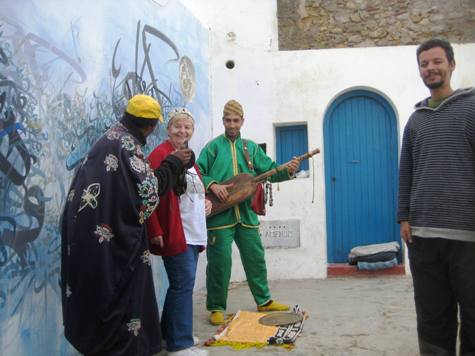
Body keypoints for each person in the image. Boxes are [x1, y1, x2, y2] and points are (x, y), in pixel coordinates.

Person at [61, 94, 192, 356]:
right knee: (118, 300)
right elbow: (147, 194)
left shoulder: (109, 138)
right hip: (111, 246)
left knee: (96, 298)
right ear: (152, 125)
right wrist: (173, 164)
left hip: (84, 238)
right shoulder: (127, 146)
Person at [398, 39, 475, 355]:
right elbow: (406, 171)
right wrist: (403, 216)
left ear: (452, 65)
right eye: (424, 64)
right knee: (432, 316)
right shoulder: (416, 120)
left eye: (436, 61)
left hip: (468, 235)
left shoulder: (471, 108)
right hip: (424, 236)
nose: (430, 68)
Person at [197, 99, 300, 325]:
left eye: (236, 120)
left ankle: (264, 301)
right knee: (219, 262)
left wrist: (288, 171)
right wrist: (212, 184)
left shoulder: (251, 148)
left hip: (246, 215)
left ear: (242, 121)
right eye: (227, 120)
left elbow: (270, 171)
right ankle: (216, 306)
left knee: (256, 258)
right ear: (223, 121)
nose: (232, 125)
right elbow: (197, 172)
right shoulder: (212, 148)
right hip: (220, 217)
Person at [146, 108, 211, 356]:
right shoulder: (160, 155)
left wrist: (208, 202)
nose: (182, 131)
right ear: (168, 129)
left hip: (193, 232)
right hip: (177, 232)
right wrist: (154, 228)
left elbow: (195, 190)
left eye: (187, 127)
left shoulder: (189, 157)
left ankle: (166, 335)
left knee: (181, 285)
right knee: (183, 284)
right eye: (177, 126)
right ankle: (180, 344)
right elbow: (148, 194)